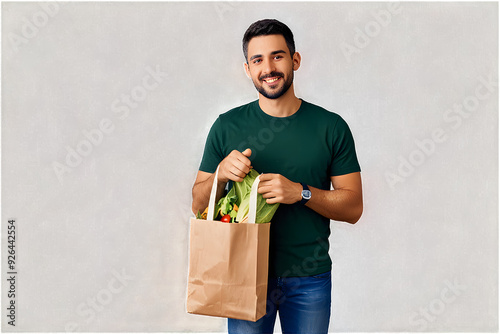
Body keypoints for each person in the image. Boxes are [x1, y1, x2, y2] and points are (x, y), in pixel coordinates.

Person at [191, 19, 363, 334]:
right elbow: (197, 203)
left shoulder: (330, 127)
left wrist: (302, 193)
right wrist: (219, 175)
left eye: (277, 56)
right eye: (258, 60)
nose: (268, 67)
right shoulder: (226, 127)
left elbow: (353, 208)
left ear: (295, 60)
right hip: (241, 275)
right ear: (247, 69)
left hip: (309, 278)